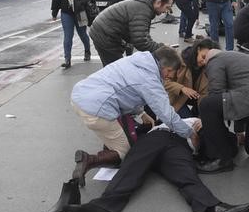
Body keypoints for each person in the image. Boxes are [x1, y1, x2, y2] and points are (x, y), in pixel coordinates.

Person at [53, 124, 249, 212]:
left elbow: (226, 149)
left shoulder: (211, 141)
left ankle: (219, 208)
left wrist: (235, 143)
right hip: (160, 135)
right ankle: (102, 206)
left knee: (187, 177)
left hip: (180, 149)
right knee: (132, 168)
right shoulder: (190, 119)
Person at [69, 47, 197, 187]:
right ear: (165, 67)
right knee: (124, 151)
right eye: (171, 72)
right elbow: (167, 114)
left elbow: (125, 89)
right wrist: (190, 133)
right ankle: (88, 160)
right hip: (97, 108)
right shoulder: (150, 79)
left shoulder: (138, 61)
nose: (170, 77)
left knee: (118, 133)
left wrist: (141, 113)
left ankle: (110, 146)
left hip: (80, 96)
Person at [89, 0, 173, 66]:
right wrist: (162, 48)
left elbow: (144, 36)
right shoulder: (143, 9)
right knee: (116, 70)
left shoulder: (144, 5)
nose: (166, 11)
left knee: (115, 68)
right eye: (167, 7)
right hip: (104, 34)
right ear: (158, 2)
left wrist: (158, 47)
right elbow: (141, 42)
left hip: (105, 31)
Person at [51, 0, 92, 68]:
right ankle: (67, 59)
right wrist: (54, 12)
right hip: (66, 13)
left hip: (79, 11)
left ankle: (87, 50)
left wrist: (81, 2)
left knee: (82, 34)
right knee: (68, 36)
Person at [164, 38, 216, 118]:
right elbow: (164, 81)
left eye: (207, 59)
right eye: (203, 57)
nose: (204, 62)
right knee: (188, 122)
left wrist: (202, 117)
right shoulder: (179, 60)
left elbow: (205, 94)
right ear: (198, 49)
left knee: (199, 122)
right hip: (176, 97)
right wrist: (182, 88)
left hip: (196, 98)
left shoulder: (209, 67)